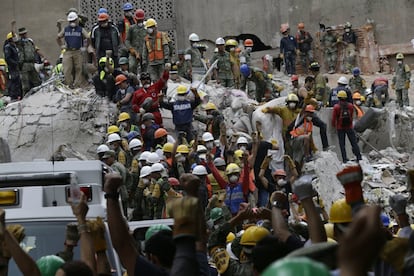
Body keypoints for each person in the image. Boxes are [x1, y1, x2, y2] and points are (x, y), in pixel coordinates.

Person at [57, 12, 90, 88]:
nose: (72, 22)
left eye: (73, 20)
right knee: (67, 70)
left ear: (77, 20)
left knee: (79, 68)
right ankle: (69, 85)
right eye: (70, 21)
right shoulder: (66, 29)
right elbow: (58, 37)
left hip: (78, 51)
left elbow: (88, 37)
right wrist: (61, 46)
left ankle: (77, 85)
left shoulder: (80, 29)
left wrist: (85, 47)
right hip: (68, 51)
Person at [332, 91, 362, 163]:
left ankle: (345, 159)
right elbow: (351, 116)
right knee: (353, 142)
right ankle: (358, 157)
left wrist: (334, 127)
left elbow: (334, 119)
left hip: (340, 128)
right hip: (349, 127)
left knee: (342, 144)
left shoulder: (336, 107)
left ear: (338, 98)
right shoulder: (351, 106)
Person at [16, 27, 42, 95]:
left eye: (25, 33)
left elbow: (35, 50)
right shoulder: (19, 42)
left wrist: (40, 58)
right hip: (24, 64)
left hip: (32, 63)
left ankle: (38, 95)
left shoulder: (30, 41)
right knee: (25, 85)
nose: (24, 35)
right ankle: (25, 97)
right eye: (22, 34)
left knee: (37, 81)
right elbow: (13, 37)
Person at [125, 9, 146, 74]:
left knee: (146, 68)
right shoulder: (132, 28)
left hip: (144, 52)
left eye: (141, 19)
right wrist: (131, 49)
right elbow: (127, 40)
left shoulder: (146, 28)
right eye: (138, 20)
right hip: (134, 52)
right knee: (132, 66)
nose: (140, 21)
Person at [3, 32, 22, 100]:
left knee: (17, 81)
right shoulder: (8, 47)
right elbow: (8, 58)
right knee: (14, 81)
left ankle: (18, 95)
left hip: (15, 67)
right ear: (11, 39)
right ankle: (13, 96)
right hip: (12, 67)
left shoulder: (13, 46)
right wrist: (15, 63)